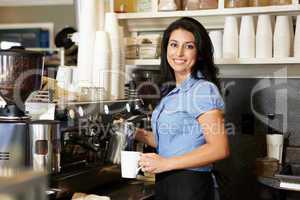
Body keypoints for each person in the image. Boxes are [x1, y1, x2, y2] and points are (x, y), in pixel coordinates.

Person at [134, 17, 230, 200]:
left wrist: (165, 163)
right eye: (173, 44)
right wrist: (137, 133)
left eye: (189, 46)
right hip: (168, 182)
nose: (179, 52)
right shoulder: (172, 92)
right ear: (166, 49)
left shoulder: (202, 90)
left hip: (190, 185)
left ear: (199, 53)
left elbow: (219, 148)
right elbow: (177, 141)